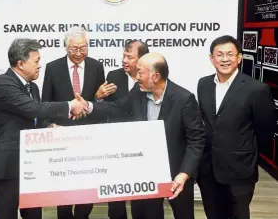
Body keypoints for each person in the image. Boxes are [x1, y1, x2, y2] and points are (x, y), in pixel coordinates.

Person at [80, 52, 206, 219]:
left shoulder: (184, 99)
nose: (136, 76)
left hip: (176, 173)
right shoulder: (137, 92)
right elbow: (117, 108)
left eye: (140, 72)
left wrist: (184, 174)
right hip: (145, 172)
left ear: (155, 76)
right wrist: (88, 106)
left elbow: (196, 140)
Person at [0, 38, 86, 219]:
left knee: (34, 215)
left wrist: (50, 126)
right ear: (21, 64)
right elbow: (34, 109)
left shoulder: (32, 87)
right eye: (36, 61)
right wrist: (70, 105)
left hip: (29, 167)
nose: (40, 65)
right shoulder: (4, 84)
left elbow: (34, 118)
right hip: (6, 167)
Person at [196, 35, 276, 219]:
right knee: (213, 214)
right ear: (211, 58)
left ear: (239, 58)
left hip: (240, 171)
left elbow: (266, 130)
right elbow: (207, 122)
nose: (225, 59)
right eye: (220, 54)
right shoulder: (204, 84)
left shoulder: (256, 89)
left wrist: (248, 155)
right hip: (208, 169)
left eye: (230, 54)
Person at [42, 26, 110, 219]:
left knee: (87, 185)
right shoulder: (52, 68)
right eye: (74, 49)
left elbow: (98, 103)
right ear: (65, 47)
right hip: (62, 134)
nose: (79, 53)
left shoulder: (97, 66)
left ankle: (82, 215)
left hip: (88, 135)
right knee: (64, 186)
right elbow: (46, 103)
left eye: (83, 48)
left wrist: (96, 99)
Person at [98, 40, 149, 219]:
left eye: (129, 57)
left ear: (142, 59)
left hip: (142, 143)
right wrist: (98, 98)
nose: (124, 60)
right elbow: (109, 108)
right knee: (116, 196)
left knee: (140, 194)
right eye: (123, 56)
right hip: (117, 142)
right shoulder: (114, 76)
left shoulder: (151, 76)